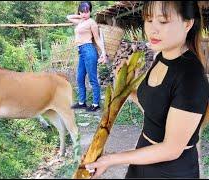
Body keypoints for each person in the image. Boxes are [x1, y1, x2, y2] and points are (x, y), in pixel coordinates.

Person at [85, 1, 209, 178]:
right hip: (143, 157)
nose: (152, 29)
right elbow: (155, 109)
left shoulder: (191, 77)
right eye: (149, 20)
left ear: (187, 24)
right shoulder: (161, 57)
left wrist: (111, 159)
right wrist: (126, 90)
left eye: (163, 21)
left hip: (171, 171)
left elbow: (171, 149)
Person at [67, 1, 108, 112]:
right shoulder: (81, 22)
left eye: (87, 11)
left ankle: (95, 104)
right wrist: (80, 15)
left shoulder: (91, 22)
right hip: (81, 52)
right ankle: (82, 102)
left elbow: (98, 39)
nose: (85, 14)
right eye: (82, 12)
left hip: (89, 50)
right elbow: (68, 17)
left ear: (90, 11)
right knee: (80, 78)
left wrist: (103, 52)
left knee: (92, 79)